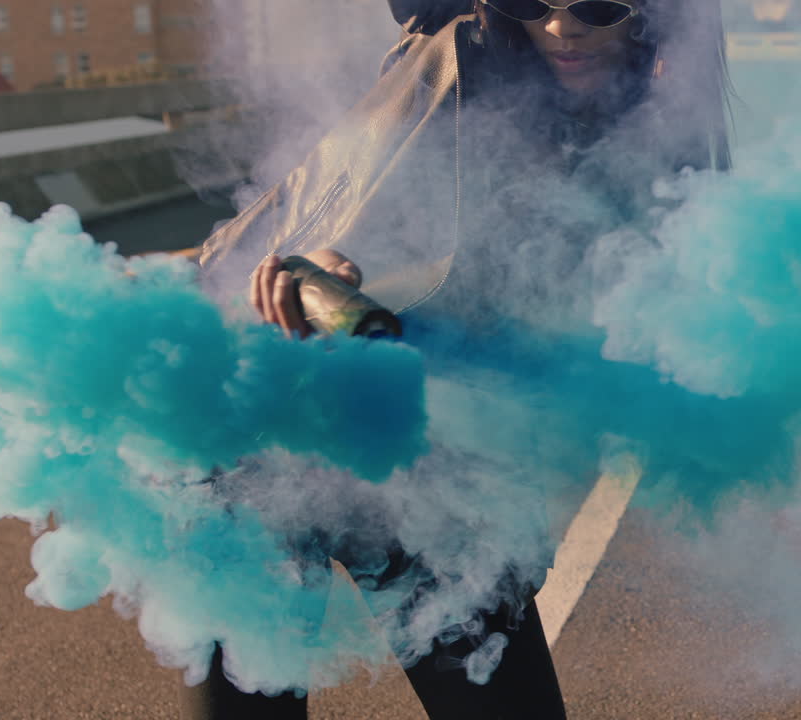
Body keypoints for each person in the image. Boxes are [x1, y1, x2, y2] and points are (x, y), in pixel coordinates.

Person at [186, 0, 731, 717]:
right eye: (532, 4)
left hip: (434, 453)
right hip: (275, 434)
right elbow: (355, 190)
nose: (563, 28)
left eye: (597, 5)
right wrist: (329, 262)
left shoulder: (658, 110)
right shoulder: (458, 60)